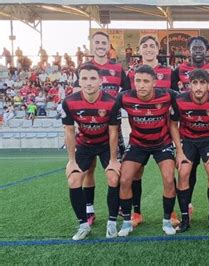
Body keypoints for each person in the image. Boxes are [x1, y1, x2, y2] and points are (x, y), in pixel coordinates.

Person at [114, 65, 179, 236]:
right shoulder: (125, 97)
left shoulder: (167, 95)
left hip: (162, 143)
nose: (141, 85)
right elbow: (107, 105)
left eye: (145, 81)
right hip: (137, 144)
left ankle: (167, 220)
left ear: (154, 82)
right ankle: (129, 220)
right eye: (138, 81)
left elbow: (188, 99)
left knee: (168, 178)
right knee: (126, 179)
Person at [61, 63, 121, 240]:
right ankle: (83, 225)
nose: (88, 83)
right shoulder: (69, 102)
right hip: (85, 144)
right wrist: (71, 161)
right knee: (73, 179)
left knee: (113, 176)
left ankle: (111, 223)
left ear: (101, 80)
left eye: (93, 78)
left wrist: (112, 159)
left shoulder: (111, 102)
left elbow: (113, 132)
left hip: (105, 144)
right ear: (79, 80)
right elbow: (69, 132)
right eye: (84, 78)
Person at [76, 31, 129, 226]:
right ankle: (89, 209)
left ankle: (120, 207)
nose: (100, 45)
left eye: (103, 42)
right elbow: (75, 96)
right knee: (88, 169)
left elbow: (127, 92)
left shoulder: (117, 68)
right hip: (89, 129)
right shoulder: (84, 69)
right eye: (96, 42)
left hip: (113, 126)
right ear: (91, 46)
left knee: (117, 167)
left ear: (109, 46)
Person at [171, 36, 209, 221]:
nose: (198, 50)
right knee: (185, 172)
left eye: (201, 47)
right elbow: (173, 121)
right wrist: (179, 150)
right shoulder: (179, 89)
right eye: (194, 47)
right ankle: (186, 214)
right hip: (188, 138)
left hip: (208, 138)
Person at [123, 35, 174, 228]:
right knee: (135, 174)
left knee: (169, 176)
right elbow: (128, 99)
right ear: (140, 49)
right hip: (139, 135)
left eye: (152, 46)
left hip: (163, 134)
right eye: (145, 46)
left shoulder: (169, 72)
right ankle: (136, 213)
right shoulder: (130, 74)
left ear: (158, 48)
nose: (149, 49)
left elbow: (177, 100)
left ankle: (171, 213)